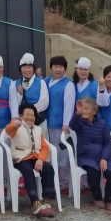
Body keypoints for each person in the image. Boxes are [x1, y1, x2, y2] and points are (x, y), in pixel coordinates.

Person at [5, 103, 57, 217]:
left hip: (35, 158)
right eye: (27, 115)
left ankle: (47, 199)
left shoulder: (38, 129)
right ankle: (35, 201)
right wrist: (14, 125)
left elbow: (45, 147)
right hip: (21, 159)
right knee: (28, 171)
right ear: (21, 116)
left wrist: (41, 159)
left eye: (32, 115)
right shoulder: (16, 126)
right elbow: (8, 131)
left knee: (48, 168)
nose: (30, 117)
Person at [69, 97, 111, 210]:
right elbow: (72, 125)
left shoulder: (102, 123)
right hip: (87, 156)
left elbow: (108, 143)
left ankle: (110, 199)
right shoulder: (79, 122)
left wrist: (104, 158)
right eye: (82, 108)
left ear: (94, 111)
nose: (83, 110)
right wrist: (77, 113)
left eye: (86, 108)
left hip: (103, 156)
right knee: (93, 173)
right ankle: (97, 197)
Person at [44, 55, 73, 189]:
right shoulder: (46, 81)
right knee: (47, 152)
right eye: (55, 66)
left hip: (60, 124)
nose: (57, 69)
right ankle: (48, 179)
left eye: (60, 67)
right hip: (45, 122)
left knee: (61, 153)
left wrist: (66, 123)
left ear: (65, 69)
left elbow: (69, 105)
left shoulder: (68, 84)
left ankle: (63, 181)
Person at [10, 53, 49, 125]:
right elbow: (13, 104)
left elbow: (44, 102)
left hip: (39, 120)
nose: (27, 70)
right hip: (22, 121)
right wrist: (20, 94)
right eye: (24, 67)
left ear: (33, 68)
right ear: (20, 69)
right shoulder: (15, 83)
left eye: (29, 67)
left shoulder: (41, 82)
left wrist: (29, 112)